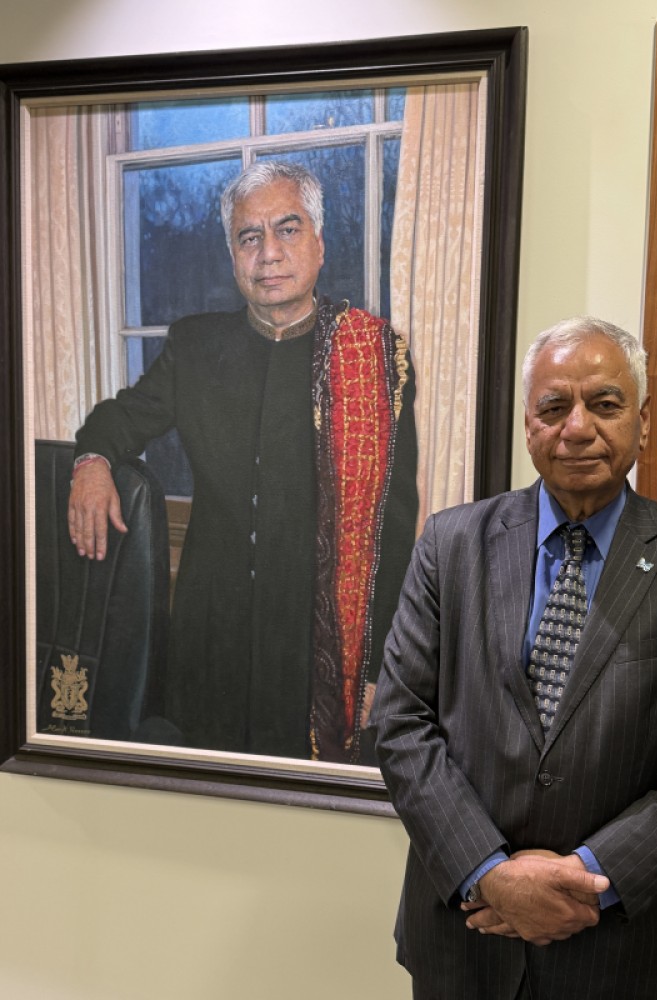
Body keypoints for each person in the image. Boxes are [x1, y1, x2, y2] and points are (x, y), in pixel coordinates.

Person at [371, 316, 657, 999]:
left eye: (604, 404)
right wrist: (490, 873)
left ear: (641, 417)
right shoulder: (449, 545)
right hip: (467, 933)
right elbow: (401, 724)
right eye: (553, 407)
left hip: (621, 946)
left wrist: (585, 884)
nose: (577, 429)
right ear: (527, 424)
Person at [68, 160, 418, 764]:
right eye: (249, 237)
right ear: (232, 255)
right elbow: (121, 418)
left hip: (316, 638)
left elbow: (392, 521)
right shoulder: (196, 346)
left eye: (287, 229)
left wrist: (379, 662)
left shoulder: (373, 356)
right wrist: (92, 460)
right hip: (210, 629)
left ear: (319, 243)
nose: (269, 254)